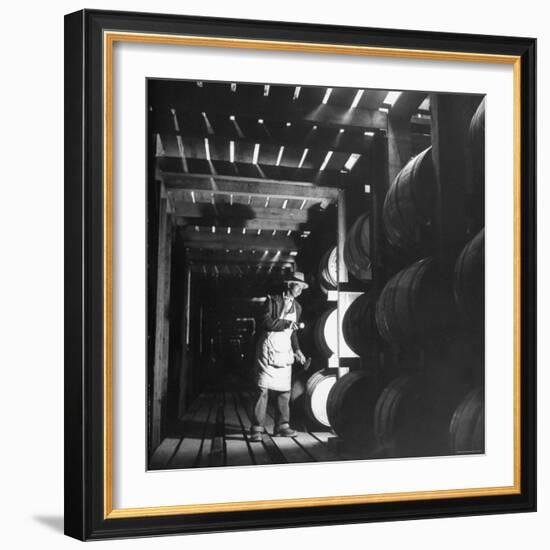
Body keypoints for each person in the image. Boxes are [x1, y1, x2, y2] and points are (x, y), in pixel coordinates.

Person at [250, 272, 308, 442]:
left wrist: (297, 350)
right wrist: (287, 323)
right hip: (268, 348)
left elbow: (293, 333)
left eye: (303, 288)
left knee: (284, 390)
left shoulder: (298, 307)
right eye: (298, 286)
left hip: (284, 349)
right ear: (290, 285)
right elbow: (266, 322)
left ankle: (282, 426)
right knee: (263, 389)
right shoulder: (273, 300)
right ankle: (257, 429)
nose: (301, 290)